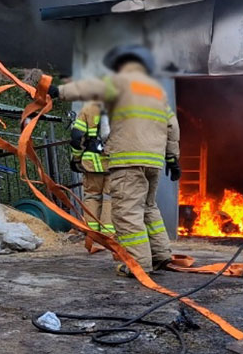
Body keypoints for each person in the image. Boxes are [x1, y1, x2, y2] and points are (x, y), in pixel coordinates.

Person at [48, 45, 181, 274]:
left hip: (127, 160)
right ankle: (160, 255)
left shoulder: (119, 83)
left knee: (127, 213)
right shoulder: (156, 92)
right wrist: (172, 158)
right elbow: (173, 125)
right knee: (148, 207)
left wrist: (57, 92)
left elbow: (87, 88)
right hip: (153, 162)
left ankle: (138, 264)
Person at [69, 100, 111, 237]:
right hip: (114, 163)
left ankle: (92, 235)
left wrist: (76, 159)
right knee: (110, 198)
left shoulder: (88, 108)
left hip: (92, 163)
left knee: (92, 196)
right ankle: (108, 235)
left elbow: (76, 137)